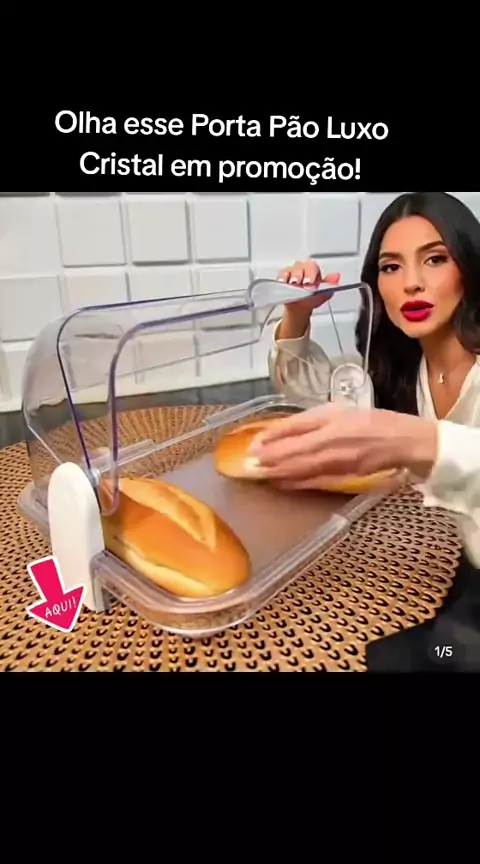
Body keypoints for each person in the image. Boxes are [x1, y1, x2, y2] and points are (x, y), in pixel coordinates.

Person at [249, 191, 480, 672]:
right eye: (391, 267)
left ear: (471, 266)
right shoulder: (402, 371)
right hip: (434, 566)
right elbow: (319, 397)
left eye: (435, 259)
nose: (411, 283)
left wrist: (416, 442)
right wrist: (298, 313)